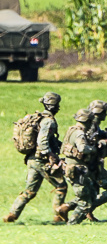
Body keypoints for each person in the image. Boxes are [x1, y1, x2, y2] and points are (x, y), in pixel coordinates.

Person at [3, 92, 68, 223]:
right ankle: (59, 216)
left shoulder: (38, 118)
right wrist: (51, 156)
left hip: (32, 160)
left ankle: (12, 214)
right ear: (55, 107)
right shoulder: (48, 122)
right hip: (42, 160)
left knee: (30, 191)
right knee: (61, 186)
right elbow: (42, 141)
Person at [63, 100, 107, 225]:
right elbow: (85, 147)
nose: (106, 115)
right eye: (104, 112)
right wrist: (101, 145)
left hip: (87, 165)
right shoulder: (87, 128)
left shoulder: (89, 126)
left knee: (90, 192)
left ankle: (69, 208)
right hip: (88, 166)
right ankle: (76, 215)